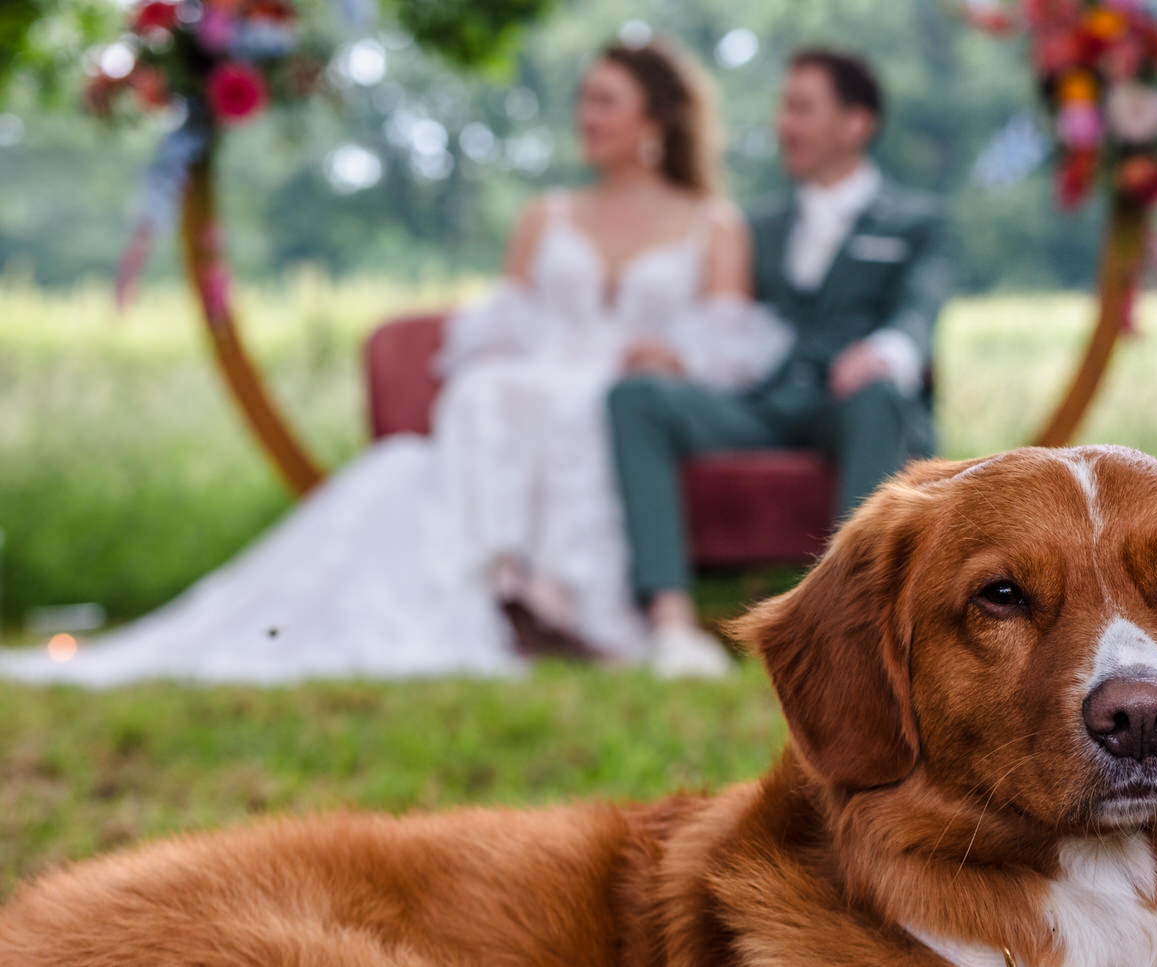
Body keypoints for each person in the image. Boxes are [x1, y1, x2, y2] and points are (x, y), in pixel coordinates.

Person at [0, 38, 787, 687]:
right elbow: (502, 320)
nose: (586, 116)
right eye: (583, 99)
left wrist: (674, 353)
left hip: (629, 390)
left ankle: (563, 597)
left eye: (605, 101)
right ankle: (505, 578)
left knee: (591, 402)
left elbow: (730, 338)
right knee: (488, 391)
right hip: (535, 373)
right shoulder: (547, 213)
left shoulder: (712, 224)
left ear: (656, 117)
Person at [609, 47, 953, 659]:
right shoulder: (755, 224)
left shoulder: (915, 221)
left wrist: (885, 351)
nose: (782, 124)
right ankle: (668, 623)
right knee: (636, 396)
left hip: (854, 406)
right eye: (781, 108)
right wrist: (683, 357)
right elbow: (728, 321)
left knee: (878, 398)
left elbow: (918, 310)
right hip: (762, 405)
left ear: (856, 123)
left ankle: (850, 630)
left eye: (801, 108)